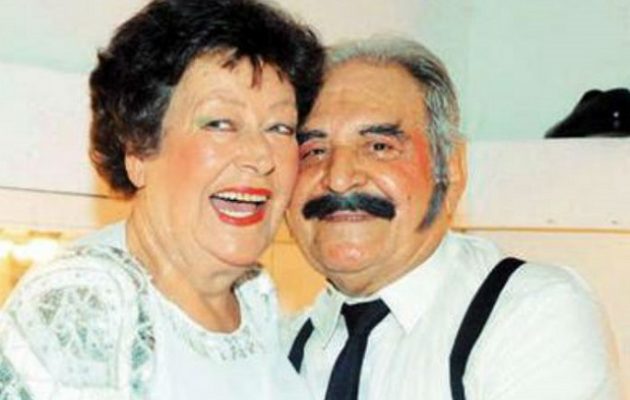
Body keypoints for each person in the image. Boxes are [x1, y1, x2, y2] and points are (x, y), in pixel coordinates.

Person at [0, 0, 323, 398]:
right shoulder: (88, 303)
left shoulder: (256, 300)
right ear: (138, 151)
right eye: (220, 123)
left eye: (280, 128)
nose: (260, 156)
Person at [284, 37, 621, 399]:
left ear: (450, 170)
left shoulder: (531, 313)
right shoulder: (285, 347)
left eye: (379, 147)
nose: (338, 177)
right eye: (314, 151)